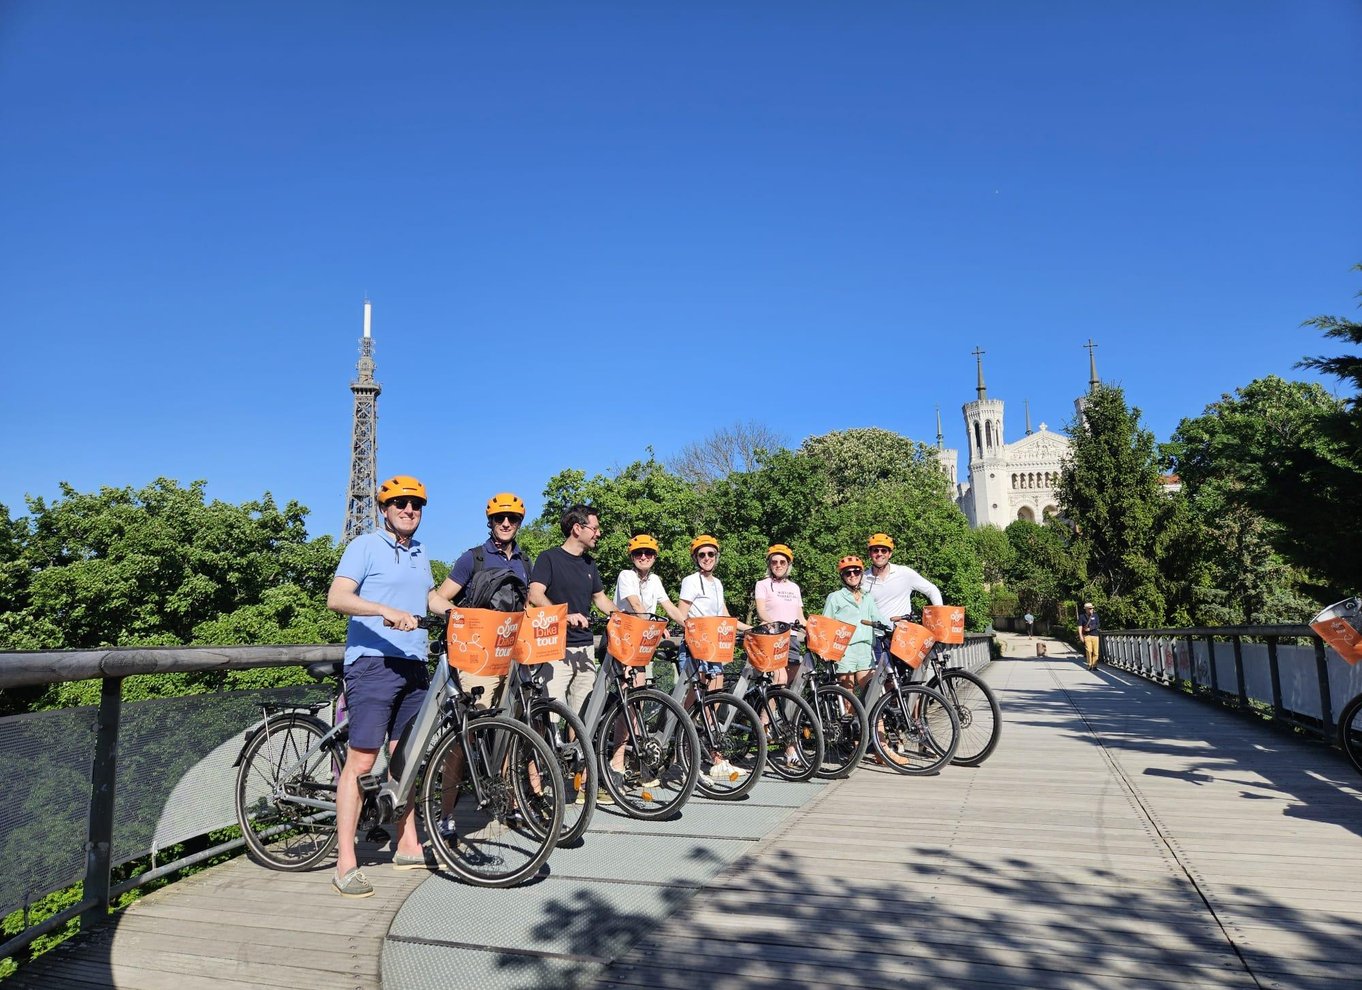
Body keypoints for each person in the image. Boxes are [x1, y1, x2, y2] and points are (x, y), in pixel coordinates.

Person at [325, 475, 436, 898]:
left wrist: (459, 612)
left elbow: (428, 599)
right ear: (384, 509)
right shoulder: (365, 546)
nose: (410, 510)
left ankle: (407, 843)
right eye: (401, 504)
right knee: (362, 761)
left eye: (416, 505)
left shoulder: (421, 553)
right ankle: (346, 862)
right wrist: (383, 611)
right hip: (372, 665)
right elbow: (337, 598)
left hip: (413, 664)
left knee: (405, 759)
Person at [428, 492, 533, 709]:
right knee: (476, 720)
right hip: (478, 657)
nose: (505, 524)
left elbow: (528, 605)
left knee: (512, 725)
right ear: (490, 521)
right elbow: (440, 597)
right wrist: (464, 619)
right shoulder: (474, 558)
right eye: (499, 518)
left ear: (519, 523)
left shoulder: (525, 561)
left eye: (512, 518)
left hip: (513, 655)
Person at [527, 504, 619, 718]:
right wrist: (563, 616)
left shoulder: (589, 563)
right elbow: (535, 594)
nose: (599, 533)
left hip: (585, 649)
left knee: (582, 717)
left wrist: (625, 618)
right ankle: (546, 752)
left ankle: (576, 752)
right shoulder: (548, 558)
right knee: (550, 716)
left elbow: (601, 599)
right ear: (577, 528)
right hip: (555, 650)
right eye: (595, 528)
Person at [753, 543, 807, 767]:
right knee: (779, 681)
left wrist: (812, 629)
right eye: (774, 562)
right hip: (772, 637)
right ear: (769, 564)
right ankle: (764, 728)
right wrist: (773, 624)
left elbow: (800, 616)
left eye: (782, 562)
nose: (778, 565)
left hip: (792, 639)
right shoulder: (763, 585)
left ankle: (790, 746)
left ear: (788, 565)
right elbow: (761, 611)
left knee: (793, 690)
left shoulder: (794, 587)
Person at [861, 533, 942, 673]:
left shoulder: (903, 573)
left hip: (904, 636)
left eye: (884, 550)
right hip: (878, 638)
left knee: (911, 682)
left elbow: (931, 590)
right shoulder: (863, 579)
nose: (879, 554)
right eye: (875, 550)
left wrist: (938, 615)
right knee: (887, 681)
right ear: (870, 553)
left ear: (890, 554)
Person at [822, 555, 888, 695]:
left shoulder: (867, 597)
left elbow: (877, 618)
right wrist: (825, 649)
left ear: (861, 573)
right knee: (848, 697)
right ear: (843, 576)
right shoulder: (835, 597)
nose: (852, 575)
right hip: (844, 650)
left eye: (856, 572)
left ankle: (877, 718)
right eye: (848, 573)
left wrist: (895, 627)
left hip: (865, 649)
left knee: (872, 694)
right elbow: (826, 624)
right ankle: (850, 717)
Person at [1081, 602, 1101, 670]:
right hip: (1087, 636)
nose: (1091, 609)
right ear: (1086, 609)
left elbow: (1098, 625)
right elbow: (1080, 626)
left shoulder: (1095, 616)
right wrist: (1081, 636)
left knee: (1096, 652)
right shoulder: (1082, 616)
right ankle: (1089, 665)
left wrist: (1090, 628)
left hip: (1095, 635)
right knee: (1089, 651)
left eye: (1092, 608)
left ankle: (1095, 666)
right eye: (1089, 608)